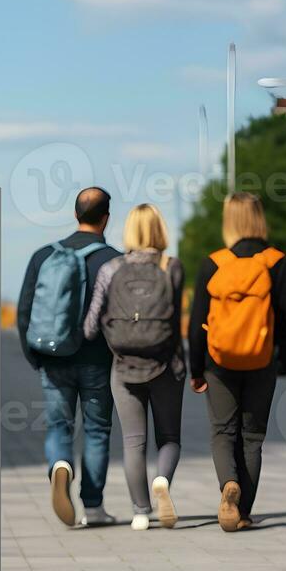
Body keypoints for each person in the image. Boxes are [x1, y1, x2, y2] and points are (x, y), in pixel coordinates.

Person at [188, 193, 286, 531]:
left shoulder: (214, 262)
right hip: (261, 360)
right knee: (252, 437)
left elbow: (198, 323)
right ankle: (243, 513)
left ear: (229, 221)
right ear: (259, 218)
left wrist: (197, 370)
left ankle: (228, 484)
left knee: (223, 432)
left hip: (219, 362)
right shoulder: (277, 262)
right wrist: (279, 354)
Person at [17, 187, 122, 527]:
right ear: (106, 217)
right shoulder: (113, 260)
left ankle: (60, 466)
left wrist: (36, 357)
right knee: (96, 430)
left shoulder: (44, 255)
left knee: (59, 426)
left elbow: (25, 311)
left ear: (76, 214)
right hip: (98, 361)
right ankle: (93, 507)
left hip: (54, 355)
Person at [84, 204, 185, 531]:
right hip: (167, 364)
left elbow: (90, 326)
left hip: (124, 366)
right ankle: (162, 481)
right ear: (160, 230)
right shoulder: (172, 267)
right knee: (168, 437)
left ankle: (140, 512)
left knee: (133, 441)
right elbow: (176, 322)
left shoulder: (111, 268)